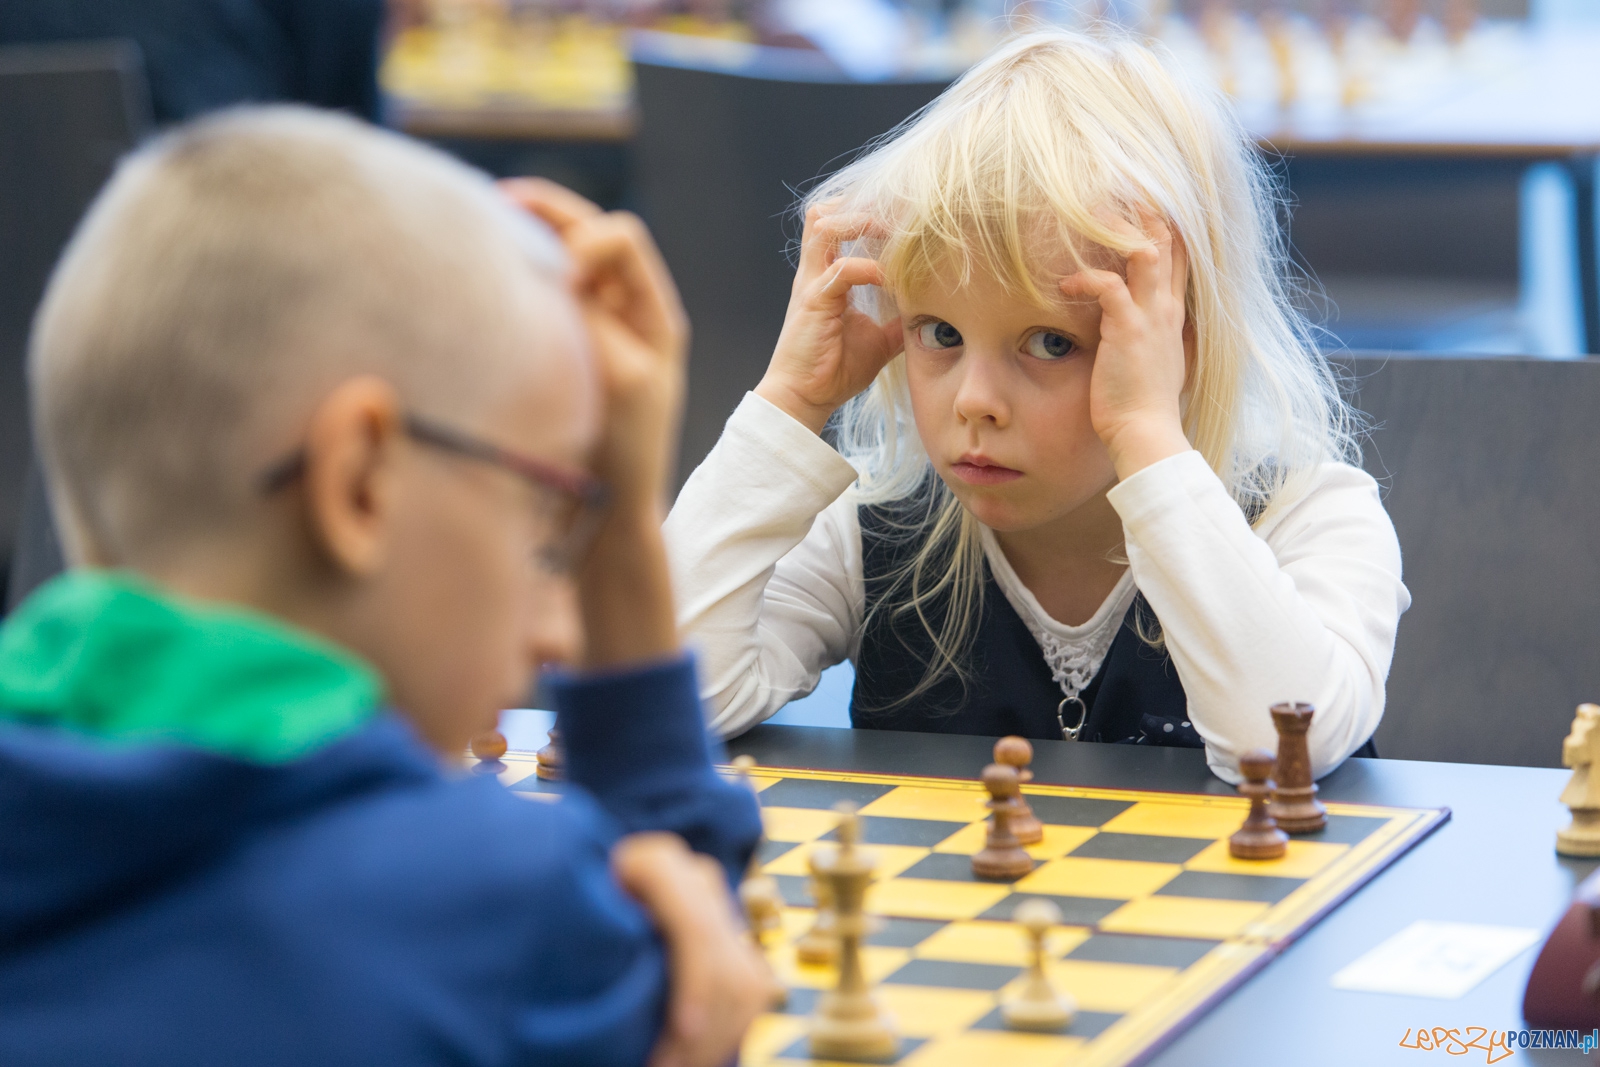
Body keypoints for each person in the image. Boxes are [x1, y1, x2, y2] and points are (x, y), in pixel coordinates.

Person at [0, 106, 769, 1066]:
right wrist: (623, 551)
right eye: (547, 510)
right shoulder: (509, 912)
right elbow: (696, 978)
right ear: (362, 482)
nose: (556, 634)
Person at [664, 30, 1410, 783]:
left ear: (1178, 339)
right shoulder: (873, 527)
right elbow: (668, 703)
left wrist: (1147, 435)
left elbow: (1282, 748)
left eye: (1050, 343)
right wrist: (789, 401)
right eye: (941, 333)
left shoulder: (1311, 519)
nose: (976, 402)